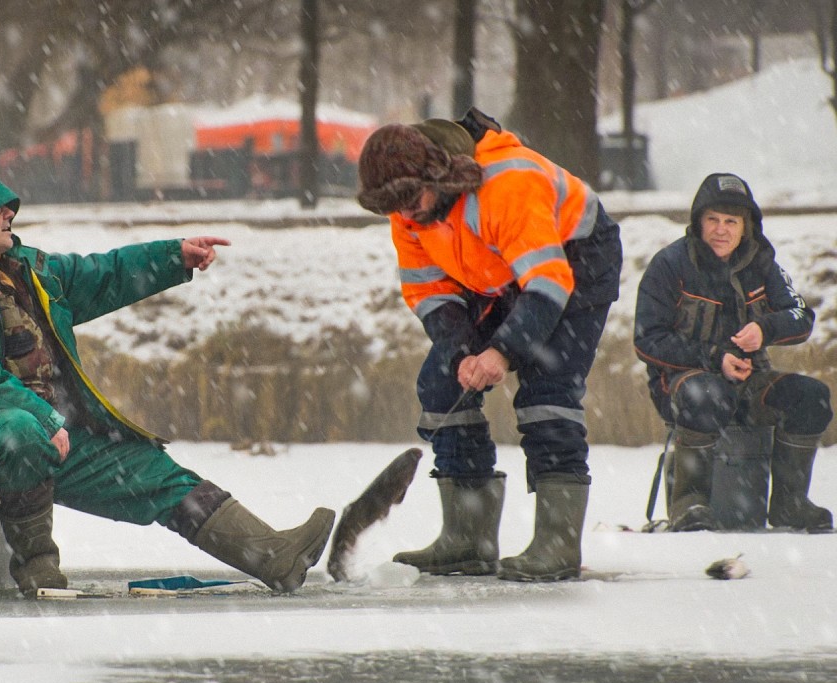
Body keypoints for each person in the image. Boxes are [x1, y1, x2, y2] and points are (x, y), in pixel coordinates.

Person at [0, 159, 335, 596]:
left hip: (40, 438)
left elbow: (102, 275)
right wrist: (44, 417)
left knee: (154, 474)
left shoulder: (28, 269)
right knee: (18, 429)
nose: (9, 214)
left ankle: (273, 556)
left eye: (10, 206)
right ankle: (38, 572)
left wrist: (173, 256)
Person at [356, 108, 622, 582]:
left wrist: (501, 352)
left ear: (437, 174)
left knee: (548, 389)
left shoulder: (507, 186)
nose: (405, 213)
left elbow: (547, 283)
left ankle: (557, 544)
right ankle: (468, 539)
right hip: (493, 273)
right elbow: (430, 292)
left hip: (575, 261)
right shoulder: (407, 212)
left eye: (411, 198)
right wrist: (461, 352)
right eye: (392, 206)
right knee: (442, 380)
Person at [635, 172, 832, 533]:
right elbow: (647, 340)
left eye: (731, 221)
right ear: (698, 223)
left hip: (751, 381)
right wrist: (713, 359)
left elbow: (801, 315)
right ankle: (689, 503)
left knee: (812, 397)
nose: (721, 230)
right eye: (712, 220)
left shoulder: (763, 263)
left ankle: (789, 504)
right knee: (707, 393)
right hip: (682, 383)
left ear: (746, 227)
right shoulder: (669, 265)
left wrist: (765, 329)